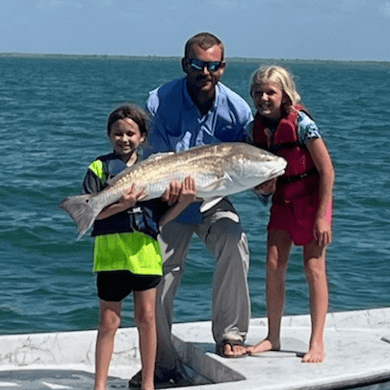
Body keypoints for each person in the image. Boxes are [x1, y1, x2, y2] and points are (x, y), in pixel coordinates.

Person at [129, 32, 254, 387]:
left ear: (223, 68)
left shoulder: (238, 110)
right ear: (185, 64)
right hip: (169, 198)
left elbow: (246, 160)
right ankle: (164, 362)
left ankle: (230, 335)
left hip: (213, 197)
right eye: (198, 64)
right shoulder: (160, 100)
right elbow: (156, 161)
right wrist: (171, 193)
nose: (206, 71)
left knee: (234, 239)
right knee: (158, 275)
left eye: (213, 65)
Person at [82, 104, 197, 390]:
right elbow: (91, 211)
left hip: (145, 254)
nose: (124, 139)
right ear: (109, 135)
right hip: (111, 254)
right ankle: (100, 385)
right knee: (108, 322)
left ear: (142, 137)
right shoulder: (99, 167)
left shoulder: (156, 170)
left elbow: (161, 219)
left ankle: (148, 384)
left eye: (131, 133)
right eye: (118, 133)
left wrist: (184, 200)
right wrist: (122, 205)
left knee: (147, 319)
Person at [245, 65, 334, 363]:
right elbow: (255, 177)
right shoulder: (252, 130)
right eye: (258, 93)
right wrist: (262, 189)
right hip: (283, 201)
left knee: (313, 267)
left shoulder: (303, 125)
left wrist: (322, 216)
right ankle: (273, 335)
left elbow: (327, 171)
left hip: (312, 202)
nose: (264, 98)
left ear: (284, 94)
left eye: (270, 92)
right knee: (273, 264)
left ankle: (317, 341)